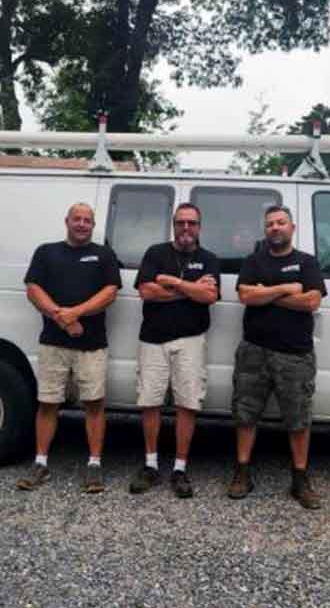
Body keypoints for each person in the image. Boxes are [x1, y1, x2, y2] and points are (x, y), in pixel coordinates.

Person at [227, 205, 327, 509]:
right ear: (265, 229)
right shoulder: (253, 261)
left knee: (298, 419)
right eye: (270, 223)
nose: (275, 227)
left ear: (292, 228)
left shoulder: (307, 262)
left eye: (281, 222)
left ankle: (300, 479)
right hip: (254, 351)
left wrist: (266, 295)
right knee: (245, 414)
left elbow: (311, 301)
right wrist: (286, 289)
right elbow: (246, 296)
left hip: (295, 354)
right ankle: (242, 472)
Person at [16, 203, 121, 493]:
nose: (82, 224)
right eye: (77, 219)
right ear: (67, 221)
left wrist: (75, 313)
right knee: (48, 403)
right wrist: (61, 318)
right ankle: (40, 463)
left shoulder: (104, 255)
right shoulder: (46, 252)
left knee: (94, 404)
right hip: (53, 343)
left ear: (93, 225)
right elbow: (33, 289)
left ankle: (94, 465)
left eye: (87, 220)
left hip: (92, 345)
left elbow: (110, 292)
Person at [130, 203, 220, 498]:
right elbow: (146, 291)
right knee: (150, 402)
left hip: (191, 340)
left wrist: (173, 282)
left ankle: (180, 469)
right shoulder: (156, 253)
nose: (186, 228)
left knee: (187, 403)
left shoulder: (208, 258)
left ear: (199, 227)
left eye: (191, 223)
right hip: (152, 340)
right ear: (173, 225)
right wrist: (191, 289)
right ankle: (151, 465)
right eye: (181, 222)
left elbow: (209, 295)